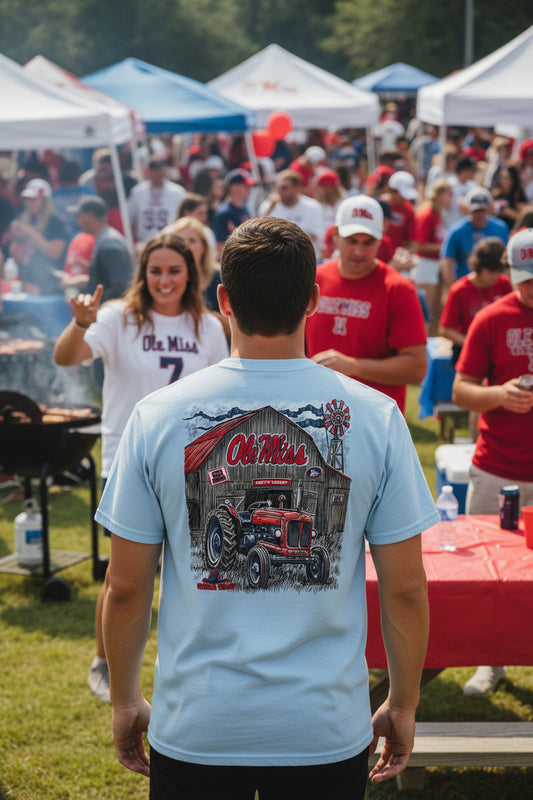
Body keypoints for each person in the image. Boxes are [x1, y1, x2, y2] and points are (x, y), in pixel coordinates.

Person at [97, 215, 436, 797]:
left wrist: (125, 699)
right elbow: (405, 589)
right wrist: (402, 703)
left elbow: (126, 588)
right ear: (313, 300)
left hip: (198, 724)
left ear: (222, 300)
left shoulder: (157, 415)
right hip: (324, 727)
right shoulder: (377, 416)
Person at [54, 231, 229, 703]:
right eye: (156, 271)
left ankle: (192, 662)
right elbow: (66, 357)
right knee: (125, 576)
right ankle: (104, 660)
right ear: (142, 273)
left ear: (190, 273)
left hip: (193, 464)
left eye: (174, 270)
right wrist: (78, 325)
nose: (165, 280)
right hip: (127, 459)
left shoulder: (209, 327)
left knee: (197, 568)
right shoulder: (116, 318)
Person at [452, 227, 533, 697]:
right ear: (508, 272)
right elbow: (462, 389)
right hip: (496, 466)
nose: (530, 289)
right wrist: (499, 395)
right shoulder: (490, 318)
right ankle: (491, 661)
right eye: (524, 279)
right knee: (487, 572)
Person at [305, 195, 427, 414]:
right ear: (335, 236)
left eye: (368, 242)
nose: (359, 251)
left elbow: (416, 368)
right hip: (315, 414)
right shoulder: (314, 279)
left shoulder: (398, 289)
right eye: (352, 241)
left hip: (374, 419)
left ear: (381, 239)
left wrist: (354, 366)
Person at [170, 216, 228, 337]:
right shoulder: (166, 282)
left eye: (191, 241)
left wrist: (211, 318)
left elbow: (239, 329)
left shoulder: (221, 279)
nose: (186, 246)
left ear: (204, 246)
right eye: (180, 241)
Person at [440, 186, 509, 287]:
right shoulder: (457, 231)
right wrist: (454, 288)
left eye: (482, 210)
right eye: (475, 210)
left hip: (496, 287)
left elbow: (507, 259)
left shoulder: (500, 228)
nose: (479, 214)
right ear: (468, 209)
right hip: (467, 286)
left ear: (489, 208)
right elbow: (447, 262)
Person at [8, 178, 67, 295]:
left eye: (34, 199)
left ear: (45, 200)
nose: (30, 203)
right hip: (26, 281)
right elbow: (17, 257)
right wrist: (15, 239)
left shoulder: (55, 222)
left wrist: (31, 232)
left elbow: (54, 253)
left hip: (49, 284)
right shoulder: (25, 219)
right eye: (28, 199)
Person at [73, 196, 134, 304]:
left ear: (89, 216)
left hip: (111, 313)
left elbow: (119, 287)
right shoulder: (105, 239)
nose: (77, 220)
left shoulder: (110, 244)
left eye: (79, 216)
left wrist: (96, 305)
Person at [412, 179, 453, 334]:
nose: (451, 198)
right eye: (448, 194)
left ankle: (432, 341)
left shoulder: (438, 214)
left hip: (436, 263)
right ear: (440, 195)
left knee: (437, 308)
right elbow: (419, 244)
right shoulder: (427, 214)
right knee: (426, 308)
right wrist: (444, 247)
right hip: (425, 264)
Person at [259, 169, 324, 261]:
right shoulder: (267, 207)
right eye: (277, 188)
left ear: (296, 188)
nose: (280, 192)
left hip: (305, 260)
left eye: (284, 188)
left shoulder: (313, 207)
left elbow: (314, 236)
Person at [128, 155, 186, 247]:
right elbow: (131, 220)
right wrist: (134, 242)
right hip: (145, 243)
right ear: (148, 171)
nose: (159, 173)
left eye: (161, 169)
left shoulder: (178, 192)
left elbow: (184, 219)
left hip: (171, 243)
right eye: (155, 169)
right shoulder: (138, 192)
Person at [211, 168, 257, 258]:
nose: (249, 190)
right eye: (246, 186)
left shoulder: (245, 208)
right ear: (233, 187)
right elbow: (220, 247)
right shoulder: (223, 212)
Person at [491, 166, 527, 230]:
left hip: (513, 229)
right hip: (498, 228)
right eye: (501, 177)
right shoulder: (496, 193)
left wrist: (508, 212)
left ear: (513, 180)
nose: (503, 181)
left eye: (506, 178)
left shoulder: (517, 195)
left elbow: (524, 218)